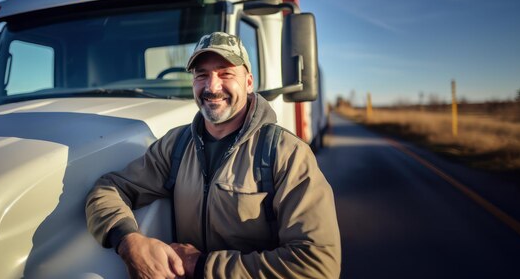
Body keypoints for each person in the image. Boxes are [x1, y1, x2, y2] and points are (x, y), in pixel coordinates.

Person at [85, 32, 341, 278]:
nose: (212, 86)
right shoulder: (175, 145)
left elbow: (317, 265)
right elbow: (109, 189)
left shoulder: (287, 153)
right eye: (201, 75)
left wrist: (199, 265)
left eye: (225, 74)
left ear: (249, 82)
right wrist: (128, 242)